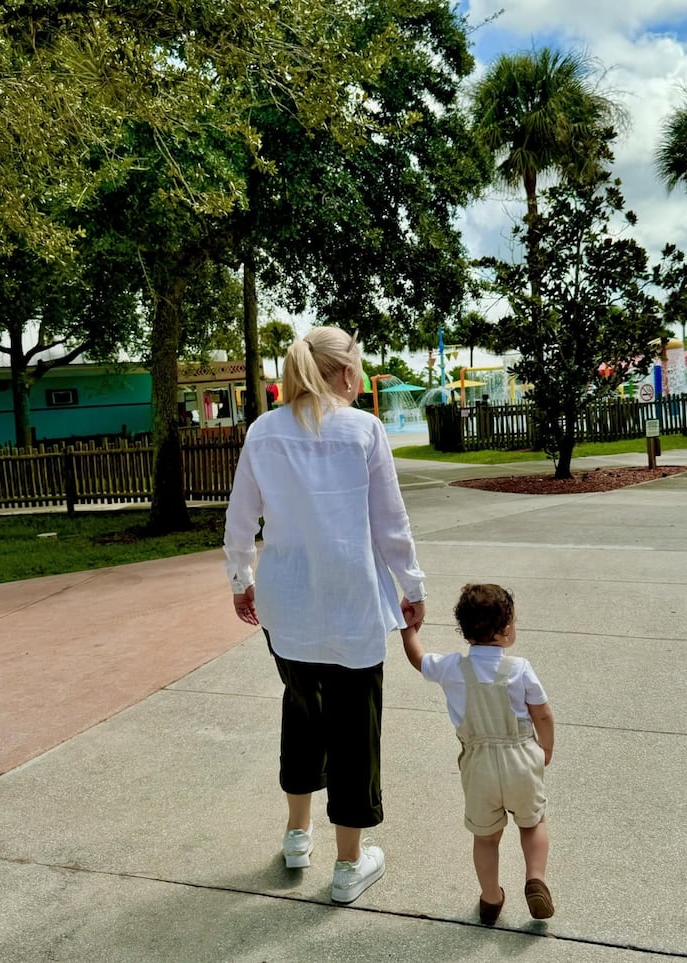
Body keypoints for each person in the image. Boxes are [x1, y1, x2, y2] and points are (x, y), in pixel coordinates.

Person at [223, 326, 425, 905]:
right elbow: (391, 524)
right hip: (351, 606)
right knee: (355, 727)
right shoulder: (363, 429)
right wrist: (412, 587)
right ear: (344, 372)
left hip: (285, 606)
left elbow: (240, 521)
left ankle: (296, 835)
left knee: (303, 711)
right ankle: (348, 864)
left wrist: (243, 581)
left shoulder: (264, 431)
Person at [401, 583, 554, 925]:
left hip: (479, 765)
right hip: (521, 759)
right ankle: (535, 878)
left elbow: (418, 659)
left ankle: (490, 898)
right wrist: (545, 747)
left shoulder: (453, 668)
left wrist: (407, 628)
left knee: (486, 838)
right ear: (506, 630)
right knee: (532, 823)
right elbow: (542, 712)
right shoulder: (519, 668)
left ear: (466, 631)